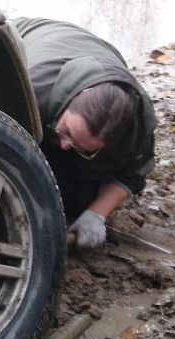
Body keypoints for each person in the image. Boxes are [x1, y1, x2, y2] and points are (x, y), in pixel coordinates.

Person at [12, 17, 156, 248]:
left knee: (77, 201)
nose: (65, 145)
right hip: (25, 33)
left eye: (82, 148)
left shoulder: (138, 124)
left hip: (100, 52)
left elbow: (131, 175)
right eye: (66, 131)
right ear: (68, 101)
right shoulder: (30, 91)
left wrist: (96, 214)